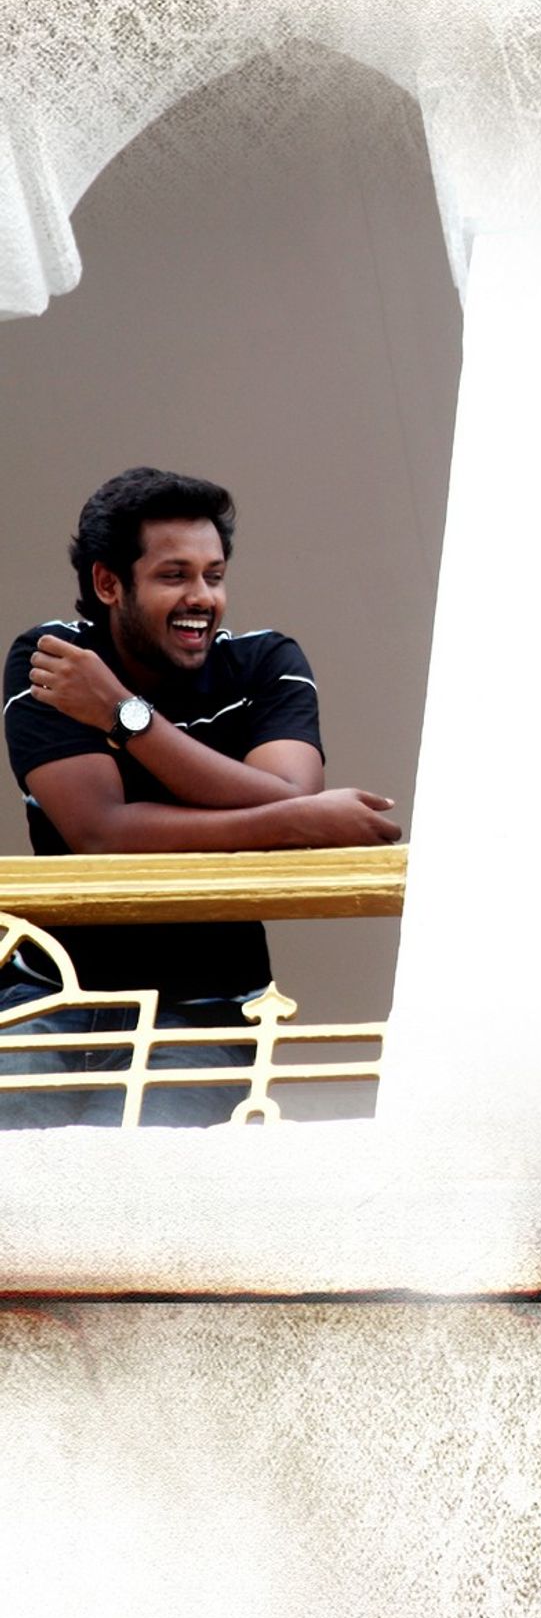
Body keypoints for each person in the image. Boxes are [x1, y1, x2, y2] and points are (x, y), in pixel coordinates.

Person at [0, 466, 401, 1125]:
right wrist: (292, 820)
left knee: (145, 1187)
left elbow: (289, 791)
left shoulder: (267, 662)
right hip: (47, 998)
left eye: (214, 575)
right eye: (174, 575)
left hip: (204, 1014)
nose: (202, 597)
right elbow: (100, 832)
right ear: (108, 583)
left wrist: (121, 716)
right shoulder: (57, 659)